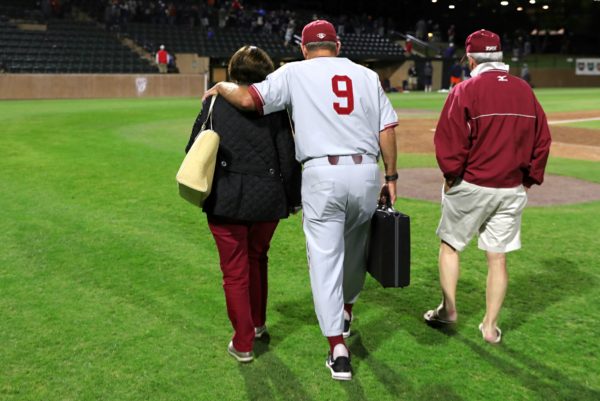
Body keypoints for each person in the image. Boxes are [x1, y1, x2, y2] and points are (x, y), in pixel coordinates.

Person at [202, 19, 398, 380]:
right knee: (357, 251)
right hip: (366, 171)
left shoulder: (294, 71)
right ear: (337, 45)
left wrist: (220, 85)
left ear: (304, 49)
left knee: (325, 261)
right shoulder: (367, 76)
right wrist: (391, 176)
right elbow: (386, 127)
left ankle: (337, 348)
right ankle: (347, 312)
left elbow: (248, 98)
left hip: (324, 173)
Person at [423, 29, 552, 344]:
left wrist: (451, 176)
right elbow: (542, 140)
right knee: (498, 258)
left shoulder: (465, 90)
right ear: (500, 56)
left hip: (471, 184)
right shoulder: (525, 90)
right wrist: (529, 177)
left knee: (451, 245)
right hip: (510, 188)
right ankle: (490, 327)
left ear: (471, 58)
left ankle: (448, 310)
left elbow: (449, 141)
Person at [185, 45, 301, 363]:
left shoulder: (214, 101)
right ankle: (259, 324)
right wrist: (293, 199)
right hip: (268, 199)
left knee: (235, 271)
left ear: (232, 72)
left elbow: (193, 146)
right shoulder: (275, 106)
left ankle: (244, 341)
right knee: (257, 259)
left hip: (225, 198)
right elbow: (287, 157)